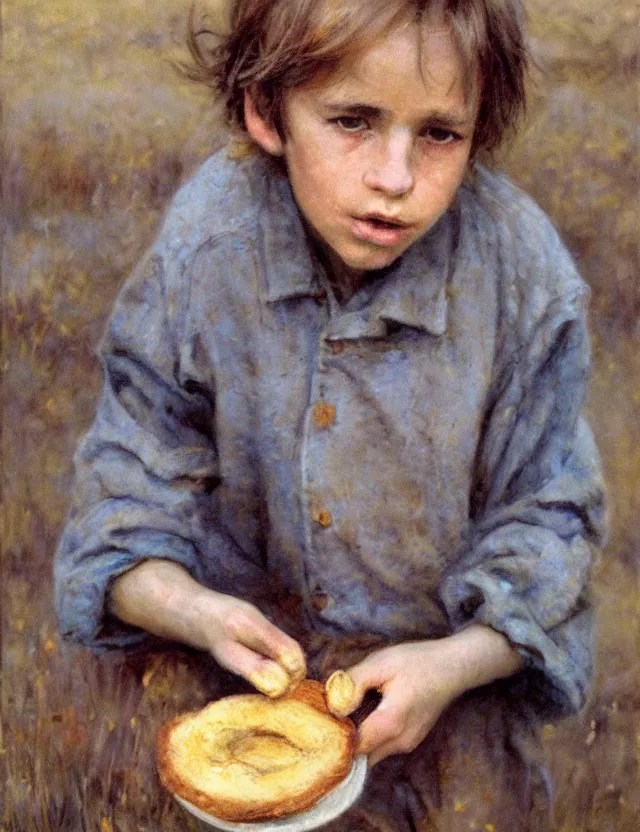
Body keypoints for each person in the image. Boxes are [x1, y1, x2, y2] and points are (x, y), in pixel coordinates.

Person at [54, 0, 606, 829]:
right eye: (353, 121)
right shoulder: (207, 246)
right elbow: (126, 490)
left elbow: (551, 521)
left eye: (439, 134)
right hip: (234, 695)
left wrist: (455, 664)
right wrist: (192, 611)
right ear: (266, 112)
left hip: (447, 698)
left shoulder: (522, 275)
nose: (395, 176)